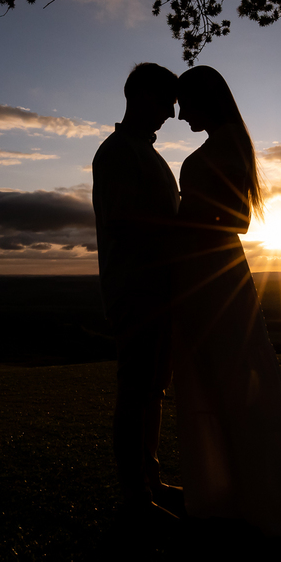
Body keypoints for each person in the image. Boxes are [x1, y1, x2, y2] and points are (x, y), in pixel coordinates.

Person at [172, 65, 281, 537]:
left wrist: (180, 219)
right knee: (211, 381)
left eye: (185, 104)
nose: (179, 115)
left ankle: (260, 498)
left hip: (214, 273)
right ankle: (227, 491)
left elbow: (237, 218)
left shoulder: (225, 146)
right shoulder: (222, 144)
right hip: (200, 272)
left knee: (237, 379)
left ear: (205, 101)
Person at [92, 62, 184, 523]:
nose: (172, 113)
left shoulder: (148, 154)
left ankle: (151, 480)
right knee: (135, 392)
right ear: (144, 96)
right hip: (135, 289)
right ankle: (135, 496)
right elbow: (122, 222)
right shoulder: (115, 153)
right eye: (167, 101)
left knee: (154, 391)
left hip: (161, 291)